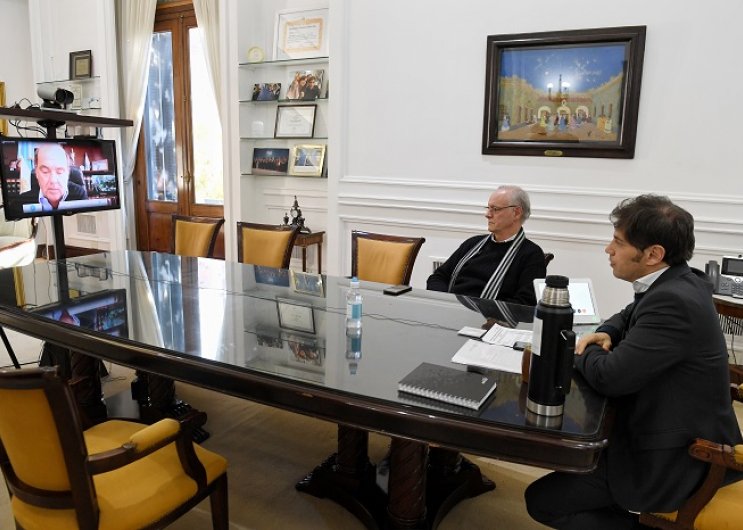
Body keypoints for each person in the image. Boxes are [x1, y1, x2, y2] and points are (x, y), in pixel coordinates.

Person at [525, 194, 743, 530]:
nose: (608, 249)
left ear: (654, 254)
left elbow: (610, 377)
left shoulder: (674, 301)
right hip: (661, 427)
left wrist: (584, 347)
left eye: (618, 242)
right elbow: (627, 314)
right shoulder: (681, 279)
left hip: (676, 458)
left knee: (542, 502)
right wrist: (606, 332)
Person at [427, 185, 546, 305]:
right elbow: (438, 277)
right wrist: (447, 302)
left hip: (489, 320)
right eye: (488, 208)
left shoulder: (531, 255)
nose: (487, 214)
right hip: (451, 309)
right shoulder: (473, 243)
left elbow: (524, 303)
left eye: (495, 209)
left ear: (516, 213)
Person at [19, 143, 88, 210]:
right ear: (36, 172)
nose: (53, 180)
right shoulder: (24, 201)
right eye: (45, 171)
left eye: (59, 172)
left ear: (67, 172)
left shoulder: (79, 195)